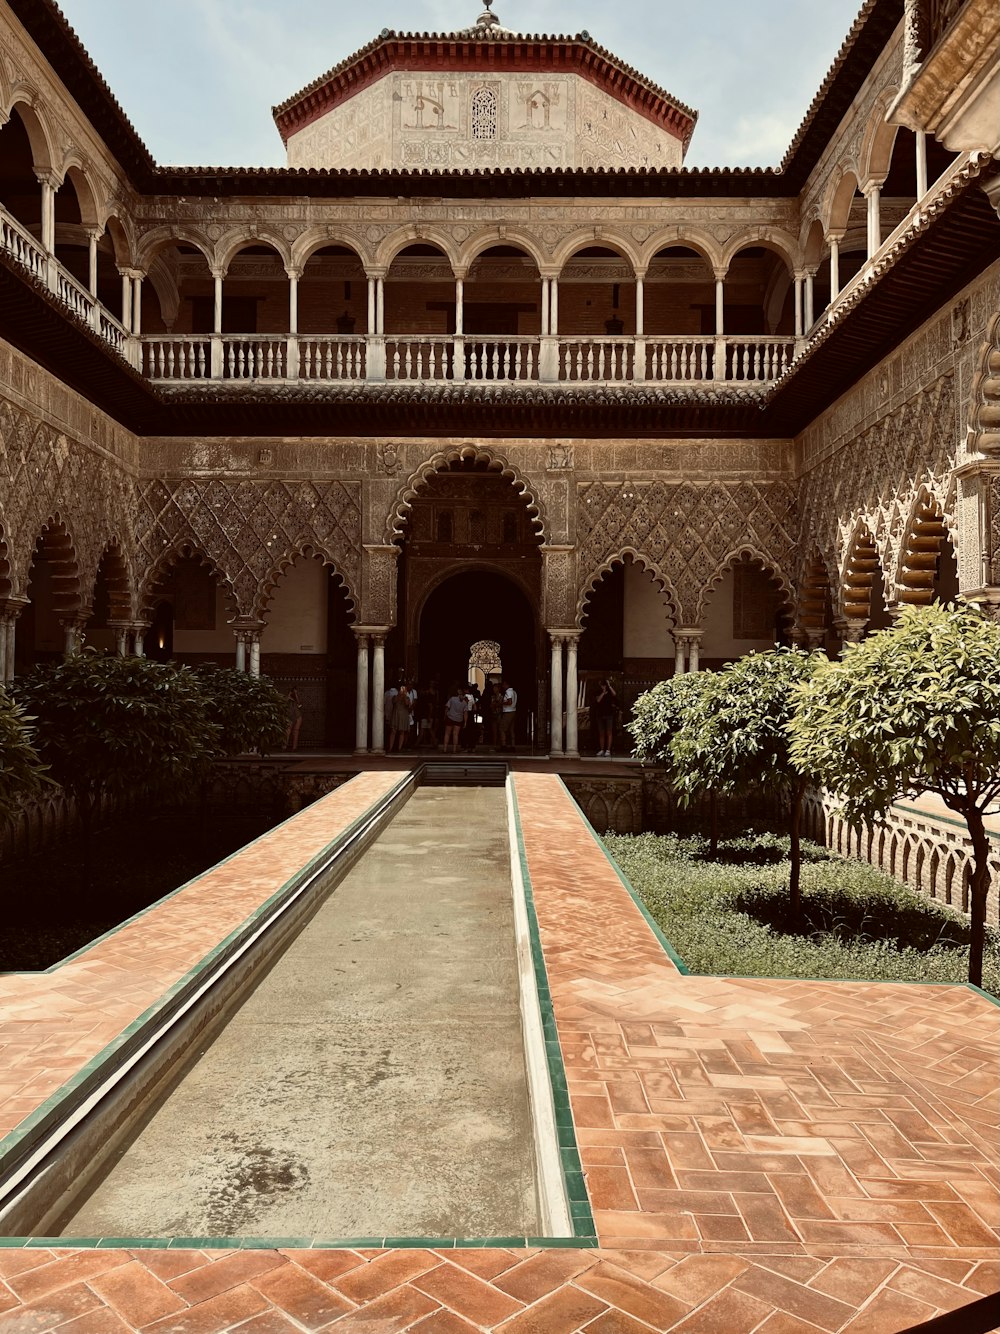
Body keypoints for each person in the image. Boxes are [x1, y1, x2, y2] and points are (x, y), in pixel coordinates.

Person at [443, 683, 467, 754]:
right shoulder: (465, 703)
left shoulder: (452, 699)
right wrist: (465, 722)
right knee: (455, 734)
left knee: (447, 733)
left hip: (450, 717)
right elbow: (465, 713)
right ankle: (454, 750)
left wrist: (444, 716)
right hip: (458, 719)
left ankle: (445, 749)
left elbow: (447, 708)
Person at [595, 678, 617, 757]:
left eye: (604, 685)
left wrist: (609, 686)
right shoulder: (598, 691)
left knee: (609, 732)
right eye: (602, 685)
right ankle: (602, 749)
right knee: (601, 733)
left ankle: (608, 750)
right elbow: (598, 700)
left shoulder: (610, 692)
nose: (603, 686)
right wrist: (603, 693)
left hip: (609, 714)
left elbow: (614, 694)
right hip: (600, 714)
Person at [389, 680, 412, 752]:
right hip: (396, 715)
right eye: (401, 689)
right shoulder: (395, 696)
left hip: (403, 716)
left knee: (402, 732)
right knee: (393, 731)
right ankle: (390, 748)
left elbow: (407, 704)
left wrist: (405, 695)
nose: (402, 690)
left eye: (404, 689)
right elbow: (394, 701)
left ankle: (399, 748)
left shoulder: (407, 698)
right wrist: (400, 694)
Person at [499, 676, 517, 752]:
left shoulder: (508, 692)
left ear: (507, 685)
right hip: (513, 711)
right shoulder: (514, 692)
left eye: (504, 685)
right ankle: (513, 746)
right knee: (511, 729)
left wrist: (501, 703)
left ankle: (503, 746)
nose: (503, 686)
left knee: (502, 729)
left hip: (508, 712)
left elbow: (509, 702)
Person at [285, 687, 303, 751]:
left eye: (296, 692)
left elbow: (299, 705)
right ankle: (284, 746)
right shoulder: (287, 699)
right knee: (288, 731)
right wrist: (289, 695)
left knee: (296, 731)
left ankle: (294, 747)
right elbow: (284, 703)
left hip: (298, 716)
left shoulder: (297, 699)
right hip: (289, 716)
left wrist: (296, 695)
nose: (294, 693)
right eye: (293, 692)